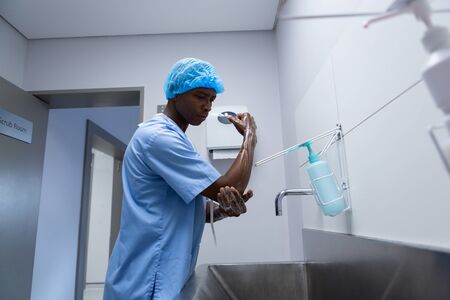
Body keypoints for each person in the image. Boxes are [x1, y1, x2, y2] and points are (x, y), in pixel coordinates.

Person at [104, 58, 257, 300]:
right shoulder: (158, 138)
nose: (207, 106)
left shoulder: (175, 138)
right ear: (175, 93)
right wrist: (250, 137)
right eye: (200, 96)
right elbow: (232, 186)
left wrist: (221, 211)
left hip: (162, 277)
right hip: (145, 282)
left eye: (211, 100)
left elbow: (176, 209)